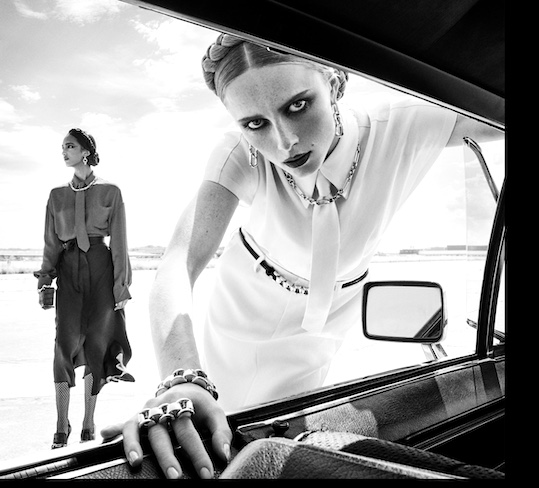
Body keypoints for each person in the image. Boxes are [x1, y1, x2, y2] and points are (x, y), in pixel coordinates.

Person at [101, 33, 502, 479]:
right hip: (243, 311)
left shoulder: (401, 127)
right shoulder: (240, 154)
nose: (284, 141)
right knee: (215, 436)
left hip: (329, 323)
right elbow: (178, 263)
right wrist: (182, 378)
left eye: (298, 105)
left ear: (334, 83)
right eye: (255, 123)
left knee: (287, 434)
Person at [35, 128, 135, 449]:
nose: (64, 152)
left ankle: (88, 421)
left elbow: (119, 243)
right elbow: (51, 242)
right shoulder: (56, 195)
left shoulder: (111, 192)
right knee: (63, 344)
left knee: (96, 343)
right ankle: (60, 423)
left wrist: (121, 287)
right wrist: (45, 279)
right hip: (68, 271)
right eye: (63, 147)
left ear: (86, 152)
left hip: (101, 268)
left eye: (70, 146)